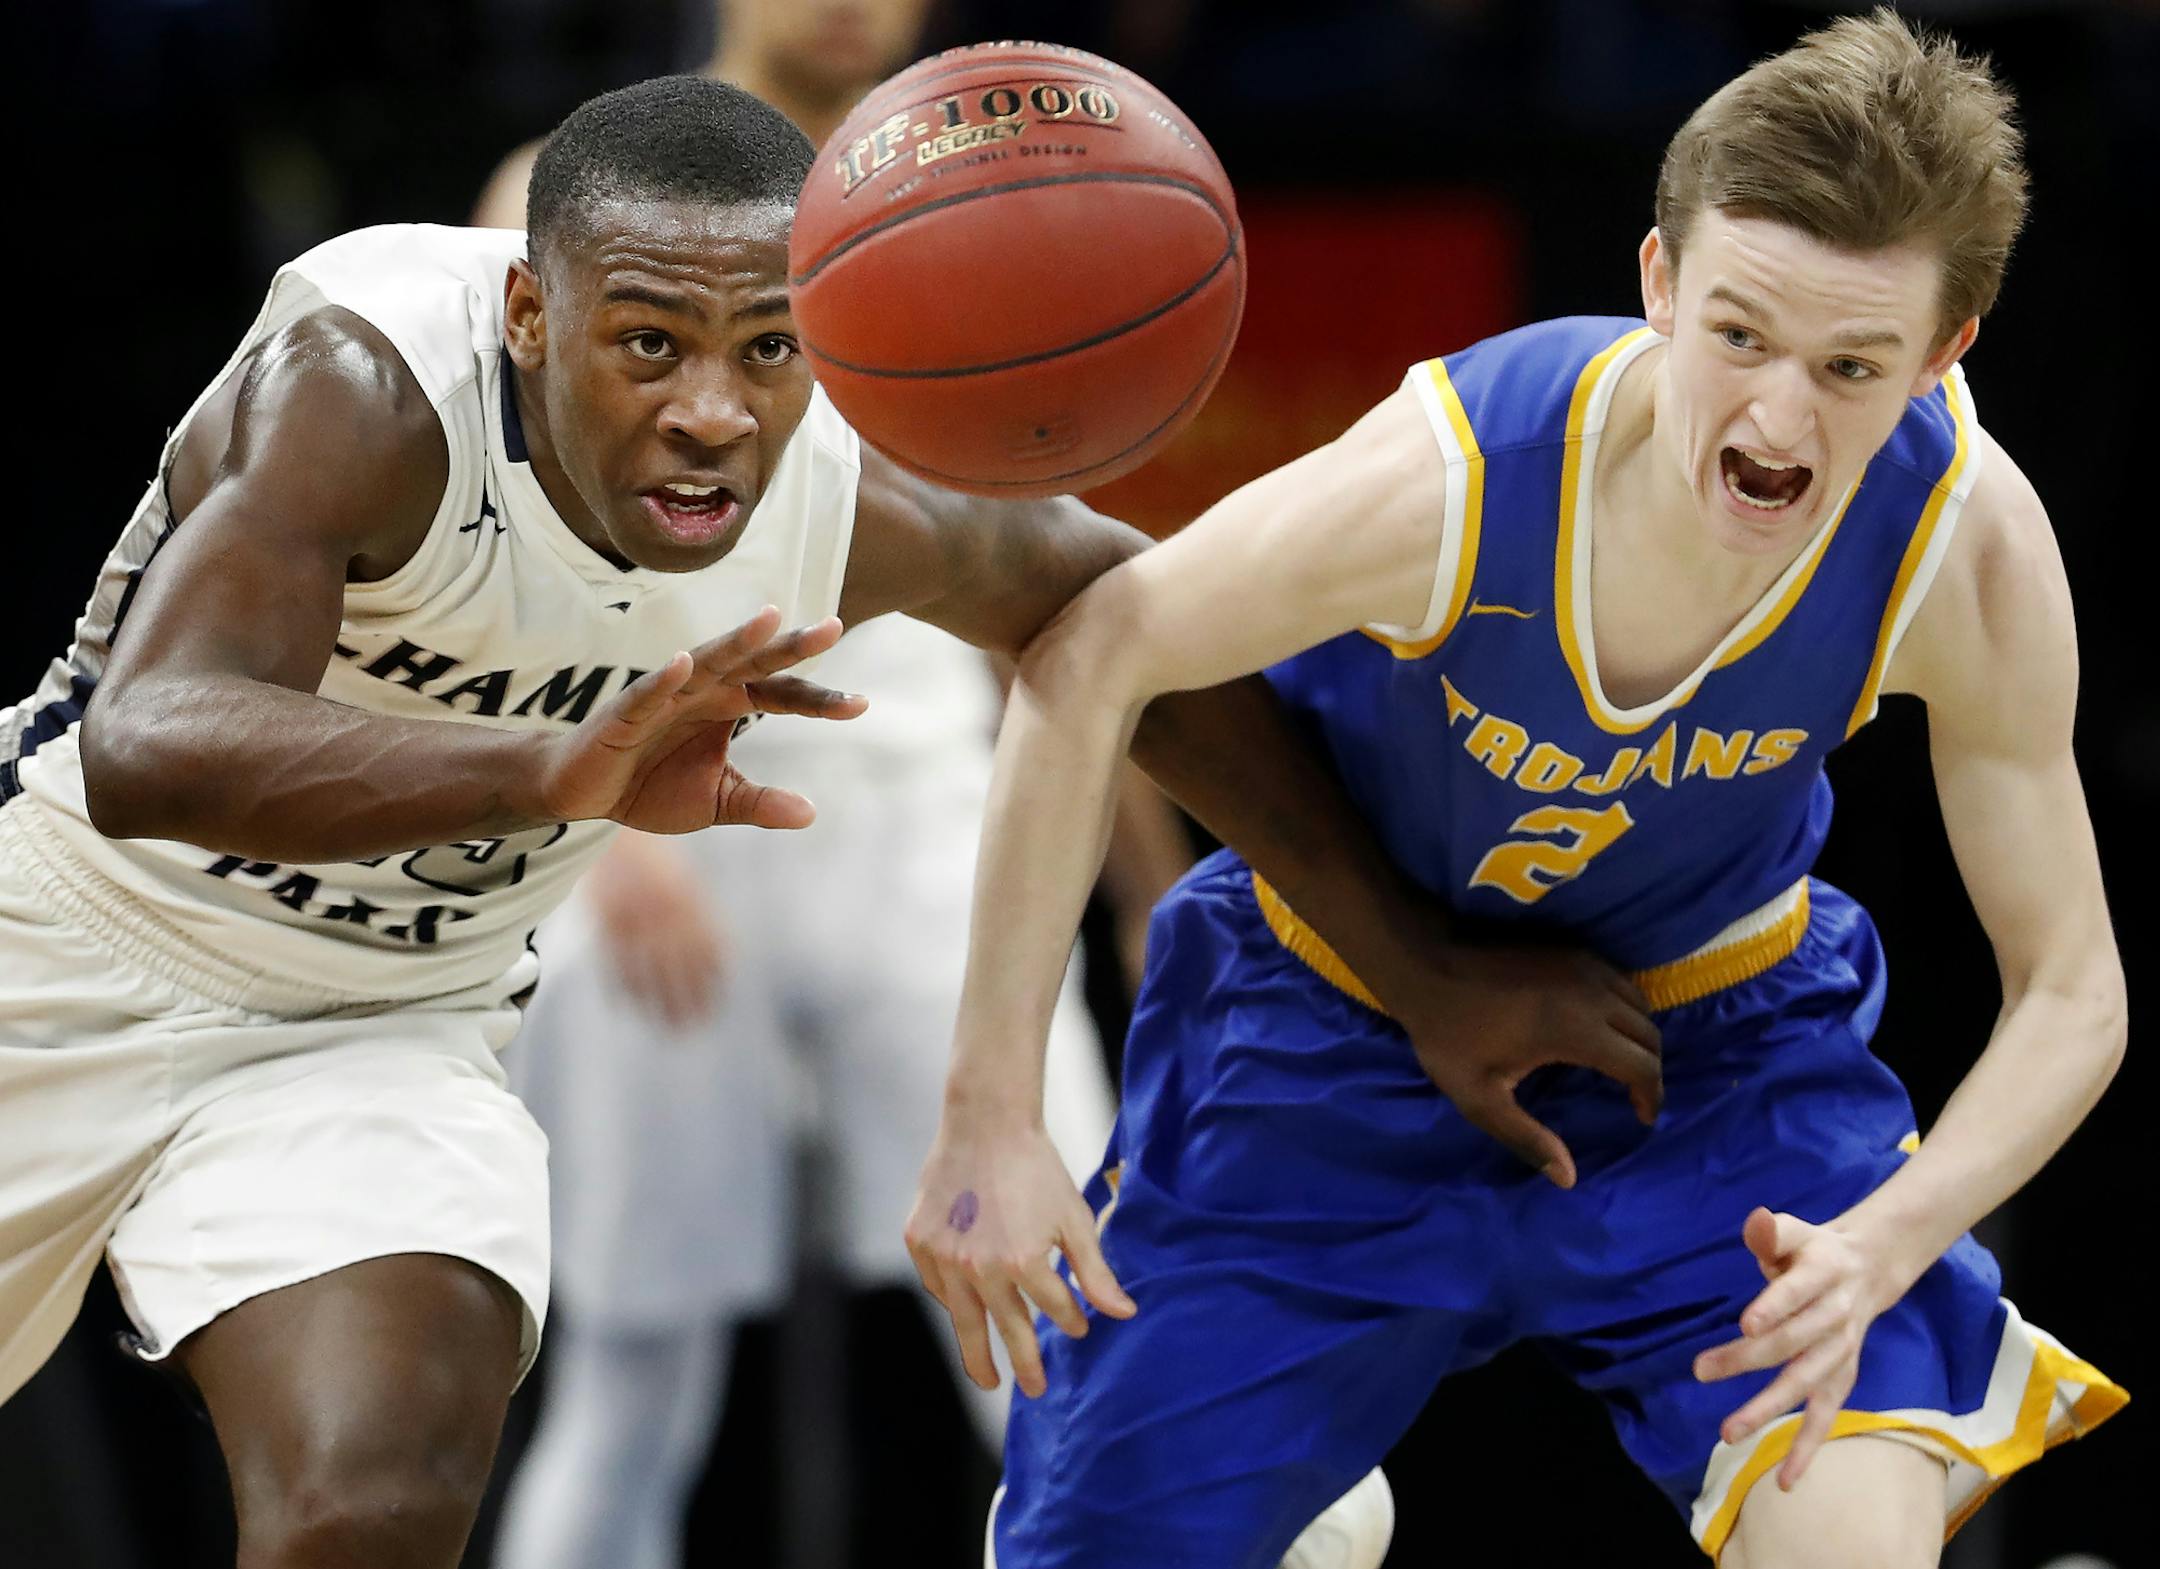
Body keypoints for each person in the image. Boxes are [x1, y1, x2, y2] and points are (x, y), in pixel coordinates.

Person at [0, 68, 1636, 1569]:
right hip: (70, 942)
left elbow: (1130, 625)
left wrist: (1417, 965)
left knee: (373, 1491)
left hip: (379, 1021)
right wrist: (542, 772)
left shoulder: (840, 488)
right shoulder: (369, 379)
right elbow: (147, 743)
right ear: (527, 312)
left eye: (768, 348)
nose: (714, 408)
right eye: (650, 344)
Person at [913, 12, 2129, 1567]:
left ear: (1945, 354)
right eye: (1740, 337)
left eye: (1850, 368)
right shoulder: (1462, 473)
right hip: (1328, 1036)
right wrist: (992, 1112)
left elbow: (2076, 992)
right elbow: (1094, 656)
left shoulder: (1963, 545)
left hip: (1713, 1068)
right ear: (1659, 284)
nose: (1775, 420)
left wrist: (1883, 1242)